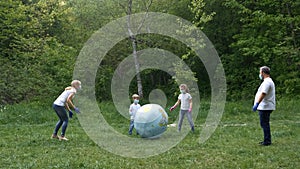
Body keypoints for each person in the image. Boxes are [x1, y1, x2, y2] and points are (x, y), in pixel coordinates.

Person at [252, 66, 276, 146]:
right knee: (264, 123)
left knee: (264, 123)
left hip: (265, 106)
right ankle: (266, 139)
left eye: (260, 72)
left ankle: (267, 141)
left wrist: (257, 103)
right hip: (265, 106)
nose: (260, 74)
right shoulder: (268, 81)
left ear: (263, 73)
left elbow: (263, 93)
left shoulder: (267, 82)